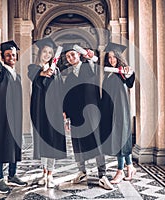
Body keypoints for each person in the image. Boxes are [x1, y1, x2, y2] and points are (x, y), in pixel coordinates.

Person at [62, 44, 113, 190]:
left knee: (97, 141)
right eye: (68, 57)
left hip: (93, 112)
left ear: (78, 55)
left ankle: (102, 175)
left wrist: (91, 58)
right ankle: (82, 171)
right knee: (77, 143)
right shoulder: (69, 76)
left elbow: (94, 66)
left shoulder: (88, 68)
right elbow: (67, 97)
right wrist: (66, 115)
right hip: (76, 115)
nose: (71, 58)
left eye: (73, 55)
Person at [28, 37, 66, 188]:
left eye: (50, 52)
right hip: (39, 111)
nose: (47, 54)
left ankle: (50, 174)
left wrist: (64, 111)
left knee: (53, 142)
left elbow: (61, 92)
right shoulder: (34, 68)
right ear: (40, 52)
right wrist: (43, 73)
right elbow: (33, 77)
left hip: (55, 111)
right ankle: (44, 173)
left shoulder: (56, 70)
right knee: (43, 143)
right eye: (45, 51)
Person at [0, 40, 27, 194]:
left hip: (15, 116)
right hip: (2, 115)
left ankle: (12, 175)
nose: (11, 57)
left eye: (13, 55)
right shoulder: (2, 71)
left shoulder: (16, 75)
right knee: (0, 143)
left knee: (14, 144)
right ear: (3, 58)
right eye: (7, 55)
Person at [100, 42, 136, 184]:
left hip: (121, 110)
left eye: (114, 57)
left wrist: (128, 73)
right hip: (110, 111)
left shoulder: (123, 72)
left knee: (120, 138)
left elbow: (130, 82)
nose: (111, 60)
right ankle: (130, 166)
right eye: (109, 57)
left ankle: (120, 171)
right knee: (120, 138)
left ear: (119, 58)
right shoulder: (108, 74)